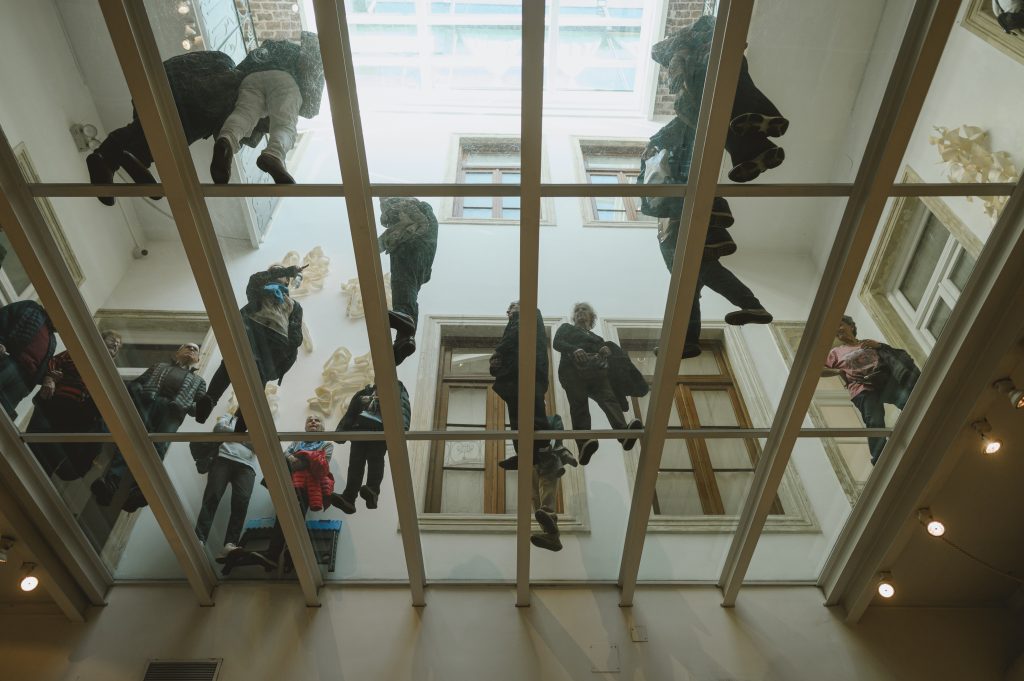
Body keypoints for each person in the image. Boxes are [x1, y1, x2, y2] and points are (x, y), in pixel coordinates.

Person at [85, 50, 260, 205]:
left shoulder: (225, 63)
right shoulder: (238, 83)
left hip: (161, 89)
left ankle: (109, 160)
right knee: (159, 133)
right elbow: (220, 126)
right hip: (179, 104)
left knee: (147, 134)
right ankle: (126, 156)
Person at [652, 14, 789, 183]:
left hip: (719, 66)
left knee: (740, 96)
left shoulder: (690, 38)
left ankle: (766, 120)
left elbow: (677, 60)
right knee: (734, 124)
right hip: (712, 83)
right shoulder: (686, 53)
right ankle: (758, 151)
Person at [489, 301, 568, 552]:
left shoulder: (524, 318)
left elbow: (513, 337)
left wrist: (497, 354)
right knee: (534, 486)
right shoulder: (526, 323)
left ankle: (548, 519)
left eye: (511, 307)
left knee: (543, 482)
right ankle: (549, 527)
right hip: (538, 457)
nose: (508, 311)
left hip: (545, 457)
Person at [91, 343, 207, 512]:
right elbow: (137, 384)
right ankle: (111, 482)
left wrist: (191, 405)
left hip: (172, 414)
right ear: (178, 352)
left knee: (157, 448)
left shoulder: (199, 382)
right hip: (148, 404)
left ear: (198, 359)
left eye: (195, 350)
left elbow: (199, 410)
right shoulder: (158, 366)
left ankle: (139, 491)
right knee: (132, 441)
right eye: (188, 347)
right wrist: (140, 390)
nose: (192, 350)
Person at [199, 264, 306, 432]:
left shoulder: (294, 305)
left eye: (279, 271)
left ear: (287, 280)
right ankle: (210, 400)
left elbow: (295, 331)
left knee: (259, 376)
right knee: (231, 362)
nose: (275, 273)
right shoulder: (259, 291)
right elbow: (256, 278)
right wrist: (286, 270)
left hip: (277, 340)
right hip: (253, 329)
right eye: (273, 271)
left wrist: (289, 346)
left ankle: (244, 416)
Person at [211, 32, 325, 185]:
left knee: (244, 114)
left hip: (251, 79)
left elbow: (242, 68)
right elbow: (310, 71)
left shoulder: (265, 49)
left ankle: (226, 140)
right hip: (284, 80)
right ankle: (274, 155)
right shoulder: (296, 51)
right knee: (284, 124)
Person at [657, 216, 773, 359]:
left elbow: (664, 209)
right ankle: (689, 342)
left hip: (686, 240)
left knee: (707, 270)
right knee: (689, 295)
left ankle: (753, 306)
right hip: (676, 250)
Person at [552, 303, 646, 466]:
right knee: (579, 404)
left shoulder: (597, 338)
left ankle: (623, 434)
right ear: (574, 316)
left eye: (584, 309)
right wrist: (574, 349)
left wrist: (604, 351)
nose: (580, 312)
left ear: (591, 317)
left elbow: (603, 353)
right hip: (572, 373)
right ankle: (584, 444)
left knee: (609, 398)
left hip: (596, 372)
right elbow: (557, 342)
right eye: (577, 310)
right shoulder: (567, 328)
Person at [823, 315, 920, 465]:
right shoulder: (835, 353)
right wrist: (837, 372)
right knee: (874, 420)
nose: (837, 330)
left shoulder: (868, 343)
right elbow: (817, 370)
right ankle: (880, 459)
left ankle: (918, 429)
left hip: (883, 382)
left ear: (851, 326)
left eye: (840, 325)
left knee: (908, 401)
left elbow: (892, 355)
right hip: (862, 388)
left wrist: (879, 345)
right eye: (834, 330)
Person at [28, 331, 122, 480]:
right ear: (100, 340)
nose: (116, 344)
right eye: (113, 340)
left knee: (54, 452)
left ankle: (40, 477)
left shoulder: (107, 372)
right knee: (36, 440)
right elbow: (55, 361)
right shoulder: (80, 353)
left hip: (75, 414)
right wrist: (50, 378)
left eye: (118, 344)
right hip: (56, 400)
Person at [251, 415, 334, 570]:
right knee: (284, 516)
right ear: (305, 426)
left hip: (308, 486)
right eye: (309, 420)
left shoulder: (326, 444)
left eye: (317, 420)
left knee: (294, 517)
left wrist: (299, 458)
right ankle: (284, 556)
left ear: (322, 427)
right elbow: (284, 454)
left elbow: (322, 466)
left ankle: (279, 555)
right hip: (291, 483)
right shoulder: (298, 441)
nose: (313, 422)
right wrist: (300, 458)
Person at [330, 382, 411, 514]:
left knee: (375, 460)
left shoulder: (395, 387)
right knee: (355, 464)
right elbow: (351, 412)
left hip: (379, 432)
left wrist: (401, 430)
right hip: (359, 431)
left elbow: (403, 408)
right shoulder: (364, 393)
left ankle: (373, 490)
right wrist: (342, 431)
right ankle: (349, 497)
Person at [378, 198, 439, 365]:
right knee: (406, 287)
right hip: (420, 255)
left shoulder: (408, 209)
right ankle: (404, 338)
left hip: (411, 247)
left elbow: (382, 240)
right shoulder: (420, 213)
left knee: (401, 284)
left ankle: (405, 324)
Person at [192, 414, 257, 559]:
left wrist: (233, 435)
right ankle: (199, 539)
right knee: (212, 496)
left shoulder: (257, 424)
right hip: (223, 459)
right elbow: (219, 429)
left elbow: (259, 444)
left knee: (242, 502)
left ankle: (230, 544)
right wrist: (246, 439)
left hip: (247, 466)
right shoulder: (229, 417)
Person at [0, 300, 57, 419]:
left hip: (24, 383)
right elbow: (4, 317)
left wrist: (48, 378)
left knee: (4, 418)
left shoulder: (53, 341)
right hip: (9, 362)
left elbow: (42, 369)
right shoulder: (32, 307)